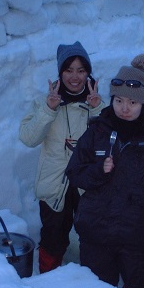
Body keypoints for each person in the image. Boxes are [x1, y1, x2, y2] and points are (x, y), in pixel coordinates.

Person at [65, 56, 144, 288]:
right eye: (118, 100)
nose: (124, 108)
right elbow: (74, 172)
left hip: (137, 237)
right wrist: (99, 171)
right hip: (97, 233)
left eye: (131, 102)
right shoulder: (97, 131)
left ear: (143, 103)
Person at [19, 41, 105, 274]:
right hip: (54, 185)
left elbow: (110, 143)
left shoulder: (97, 103)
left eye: (81, 70)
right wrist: (49, 109)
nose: (74, 77)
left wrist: (97, 110)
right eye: (68, 70)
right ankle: (48, 283)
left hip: (87, 185)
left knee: (92, 239)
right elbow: (28, 138)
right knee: (52, 240)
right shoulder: (45, 102)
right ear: (60, 72)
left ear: (88, 72)